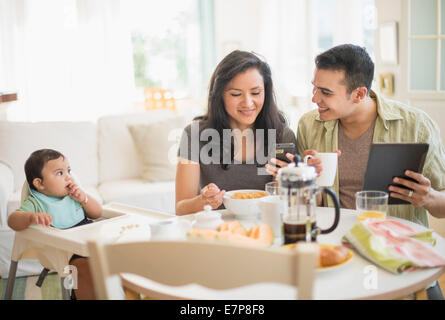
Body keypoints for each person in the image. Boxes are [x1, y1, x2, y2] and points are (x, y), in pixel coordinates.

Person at [266, 44, 445, 227]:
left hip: (395, 243)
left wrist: (429, 197)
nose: (315, 99)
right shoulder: (309, 125)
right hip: (331, 236)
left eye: (326, 92)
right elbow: (313, 204)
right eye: (315, 88)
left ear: (359, 94)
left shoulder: (417, 126)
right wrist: (306, 179)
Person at [176, 50, 296, 215]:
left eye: (255, 93)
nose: (248, 103)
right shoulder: (195, 135)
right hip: (215, 232)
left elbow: (290, 207)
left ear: (266, 92)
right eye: (236, 94)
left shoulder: (282, 136)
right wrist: (202, 201)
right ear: (220, 96)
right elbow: (180, 209)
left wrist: (287, 183)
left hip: (266, 228)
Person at [7, 149, 102, 299]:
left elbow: (97, 213)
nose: (68, 177)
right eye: (60, 173)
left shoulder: (74, 196)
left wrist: (84, 199)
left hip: (91, 241)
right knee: (82, 268)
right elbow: (12, 220)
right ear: (40, 183)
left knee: (118, 259)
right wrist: (31, 217)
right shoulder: (35, 202)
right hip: (65, 251)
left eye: (68, 171)